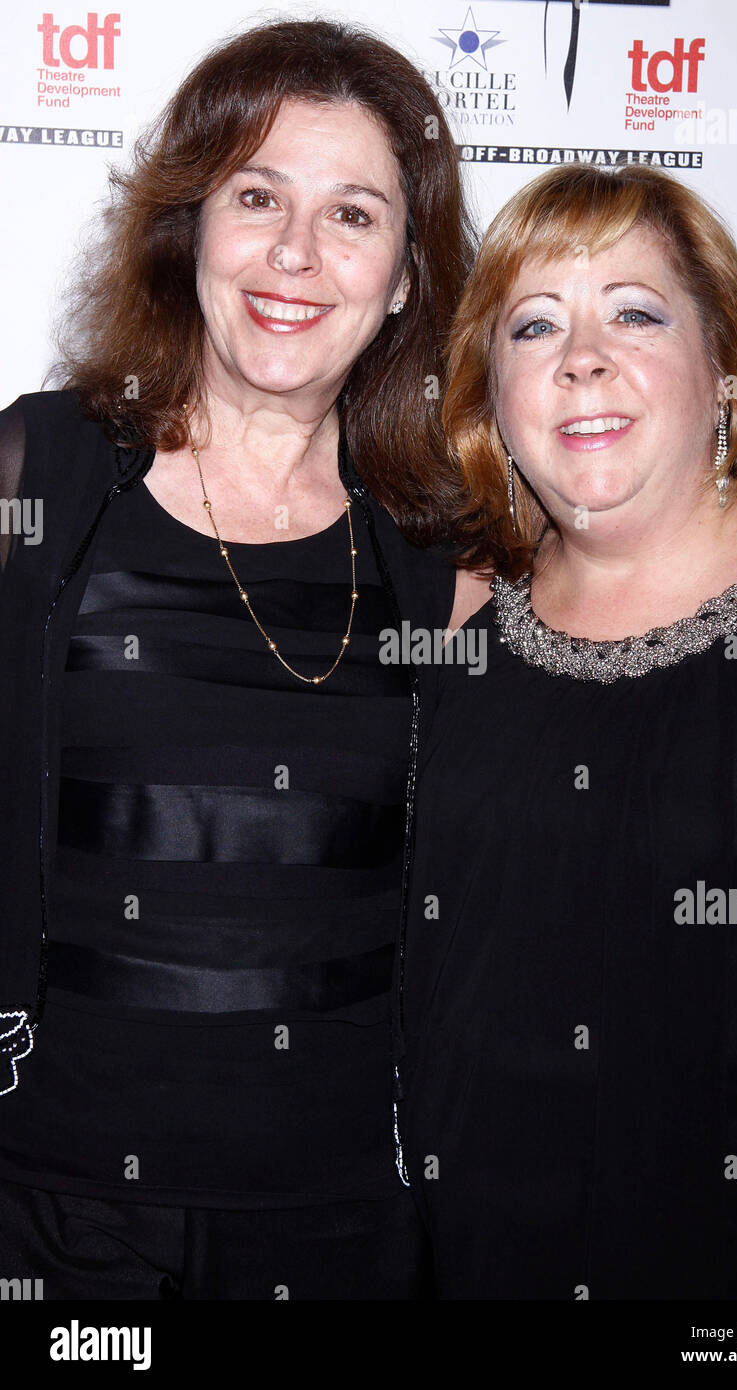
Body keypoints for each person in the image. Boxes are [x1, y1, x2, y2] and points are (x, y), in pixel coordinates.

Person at [0, 18, 480, 1300]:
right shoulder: (39, 472)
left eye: (354, 215)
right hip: (48, 1221)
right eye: (256, 195)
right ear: (189, 230)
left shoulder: (441, 553)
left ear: (402, 281)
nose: (294, 253)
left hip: (331, 1229)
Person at [395, 162, 737, 1299]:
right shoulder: (453, 610)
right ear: (489, 403)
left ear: (725, 371)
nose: (580, 358)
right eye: (534, 325)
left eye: (635, 313)